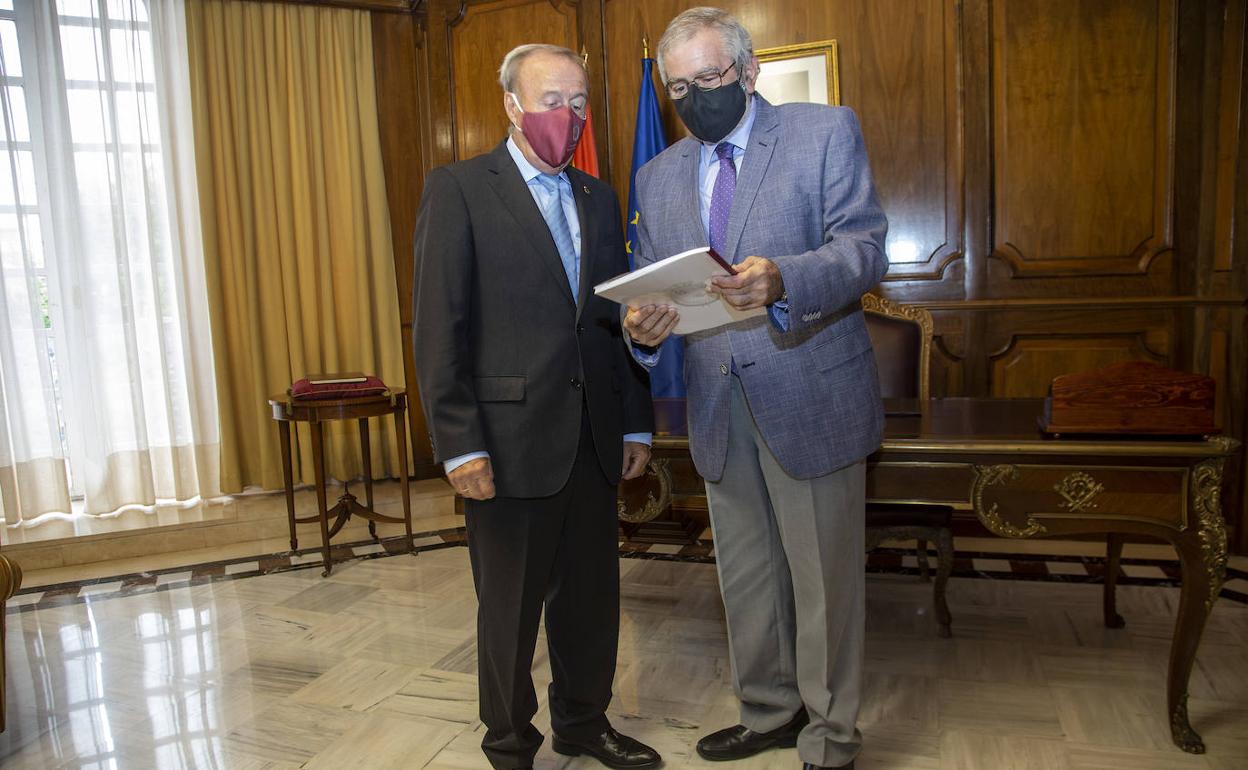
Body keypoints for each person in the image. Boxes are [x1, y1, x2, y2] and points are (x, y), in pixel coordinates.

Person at [623, 8, 889, 770]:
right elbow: (657, 287)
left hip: (812, 390)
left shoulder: (823, 131)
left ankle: (832, 739)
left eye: (709, 78)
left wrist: (785, 278)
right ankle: (769, 712)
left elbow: (864, 249)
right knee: (746, 575)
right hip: (716, 399)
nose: (696, 95)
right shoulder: (659, 173)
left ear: (748, 70)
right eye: (680, 87)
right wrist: (643, 330)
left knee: (824, 585)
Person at [412, 43, 660, 770]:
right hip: (505, 443)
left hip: (592, 439)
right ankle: (510, 745)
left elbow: (616, 319)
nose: (569, 116)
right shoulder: (458, 188)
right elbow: (439, 328)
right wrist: (459, 446)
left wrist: (636, 418)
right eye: (552, 100)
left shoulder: (600, 196)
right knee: (511, 613)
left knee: (590, 605)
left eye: (580, 102)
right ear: (512, 106)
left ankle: (586, 725)